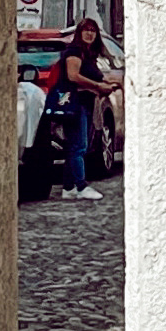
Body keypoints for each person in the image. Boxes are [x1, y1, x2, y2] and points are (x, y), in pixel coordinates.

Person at [54, 14, 120, 197]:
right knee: (79, 146)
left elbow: (99, 76)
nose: (90, 34)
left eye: (93, 31)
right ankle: (81, 186)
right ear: (79, 32)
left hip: (86, 103)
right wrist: (98, 86)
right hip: (75, 104)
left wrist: (112, 84)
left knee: (74, 146)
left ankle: (69, 188)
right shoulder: (74, 51)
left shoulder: (89, 55)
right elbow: (73, 76)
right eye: (86, 30)